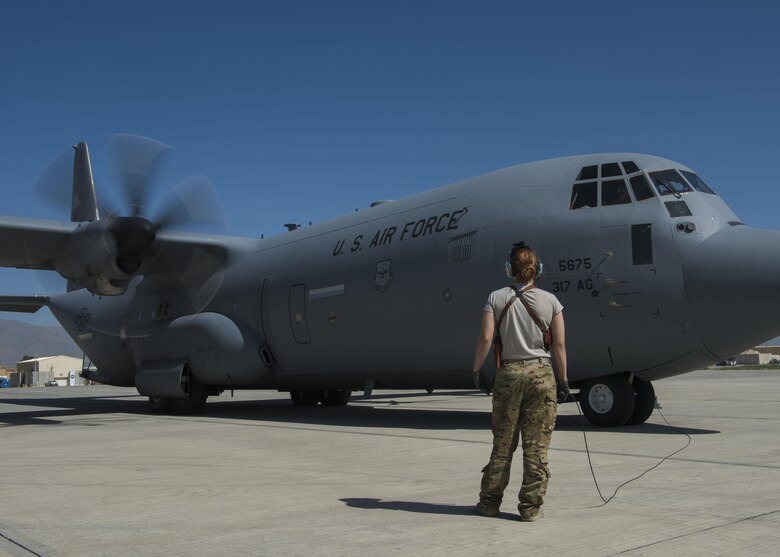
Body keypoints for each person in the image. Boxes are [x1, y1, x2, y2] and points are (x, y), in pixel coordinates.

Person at [471, 242, 569, 521]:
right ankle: (530, 508)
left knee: (503, 444)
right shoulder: (551, 301)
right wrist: (563, 381)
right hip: (542, 375)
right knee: (536, 447)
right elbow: (559, 346)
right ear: (536, 269)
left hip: (509, 375)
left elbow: (486, 339)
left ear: (509, 269)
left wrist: (477, 370)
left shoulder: (495, 298)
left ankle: (490, 503)